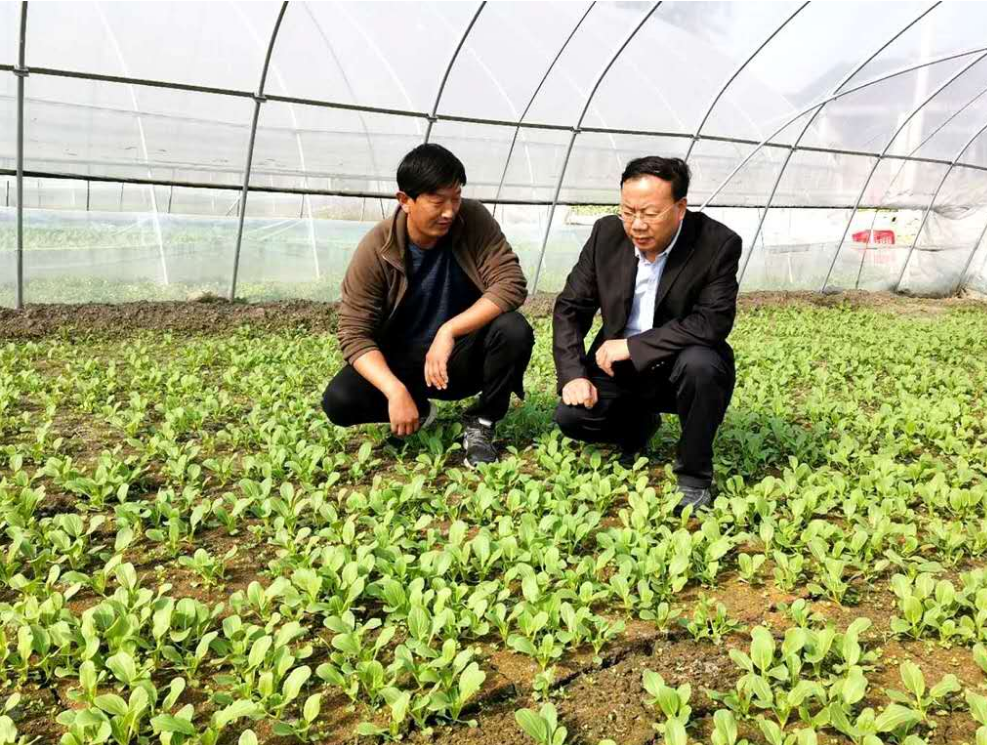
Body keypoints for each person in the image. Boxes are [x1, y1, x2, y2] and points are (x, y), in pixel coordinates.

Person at [321, 143, 534, 466]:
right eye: (437, 201)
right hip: (403, 365)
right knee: (339, 400)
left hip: (460, 360)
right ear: (405, 200)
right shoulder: (377, 248)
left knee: (513, 328)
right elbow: (354, 333)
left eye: (456, 198)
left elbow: (511, 283)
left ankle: (482, 420)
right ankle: (418, 408)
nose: (450, 211)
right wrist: (394, 390)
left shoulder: (473, 220)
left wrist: (449, 331)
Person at [552, 156, 741, 511]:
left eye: (650, 213)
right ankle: (638, 425)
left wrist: (634, 346)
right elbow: (570, 308)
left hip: (679, 362)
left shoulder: (716, 243)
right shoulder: (606, 235)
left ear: (680, 208)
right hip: (618, 367)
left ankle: (694, 476)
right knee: (572, 417)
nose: (637, 225)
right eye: (628, 212)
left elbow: (712, 322)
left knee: (701, 365)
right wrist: (573, 375)